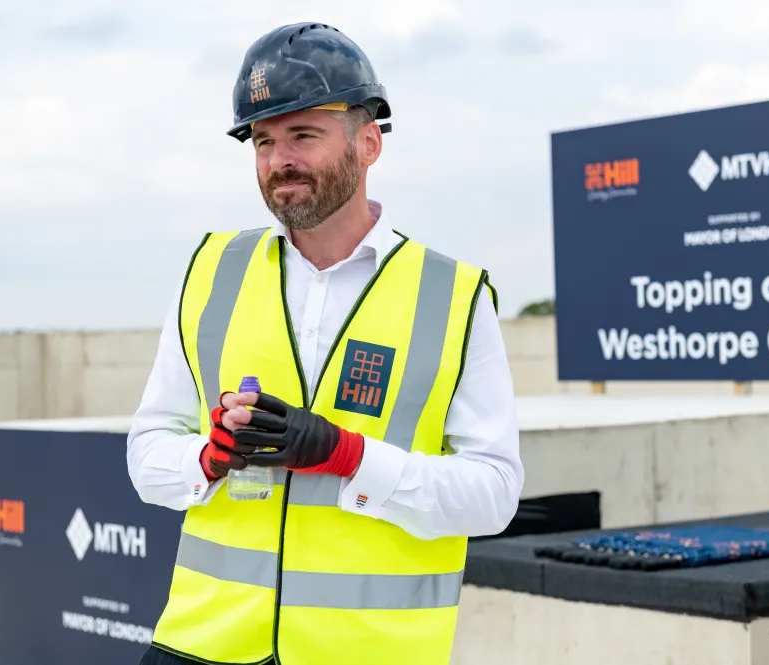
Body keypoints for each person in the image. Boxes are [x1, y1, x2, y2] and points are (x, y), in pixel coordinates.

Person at [126, 21, 524, 665]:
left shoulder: (454, 297)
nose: (279, 159)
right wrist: (207, 458)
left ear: (369, 142)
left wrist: (348, 457)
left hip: (366, 653)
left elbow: (494, 494)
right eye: (263, 140)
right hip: (203, 645)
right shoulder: (210, 273)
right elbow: (147, 454)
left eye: (303, 135)